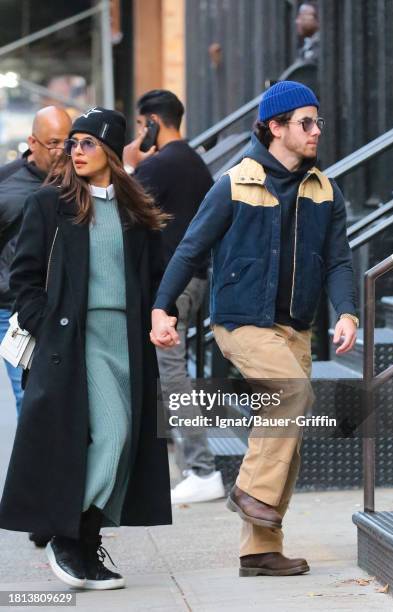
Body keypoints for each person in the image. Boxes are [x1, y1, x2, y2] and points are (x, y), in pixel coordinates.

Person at [150, 81, 358, 577]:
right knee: (292, 397)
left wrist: (347, 311)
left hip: (296, 329)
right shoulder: (234, 182)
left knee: (286, 431)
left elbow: (339, 261)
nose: (315, 131)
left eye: (317, 122)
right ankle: (248, 491)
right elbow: (190, 248)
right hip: (242, 323)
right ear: (275, 127)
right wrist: (163, 308)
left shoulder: (324, 190)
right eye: (305, 123)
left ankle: (259, 550)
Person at [0, 107, 172, 590]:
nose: (76, 151)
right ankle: (65, 535)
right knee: (112, 434)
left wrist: (164, 316)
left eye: (88, 143)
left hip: (129, 342)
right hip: (77, 340)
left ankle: (85, 543)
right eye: (73, 143)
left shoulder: (136, 209)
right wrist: (48, 327)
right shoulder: (49, 204)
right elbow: (24, 278)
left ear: (111, 152)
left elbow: (156, 278)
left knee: (124, 446)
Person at [124, 89, 225, 504]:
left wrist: (130, 165)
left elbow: (120, 209)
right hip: (193, 279)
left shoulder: (162, 165)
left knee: (171, 373)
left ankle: (201, 468)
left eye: (140, 124)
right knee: (165, 371)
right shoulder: (195, 162)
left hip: (173, 285)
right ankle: (183, 460)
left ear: (152, 122)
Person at [0, 106, 72, 418]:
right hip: (15, 310)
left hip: (69, 308)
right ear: (33, 142)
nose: (62, 151)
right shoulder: (6, 184)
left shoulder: (80, 178)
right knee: (30, 400)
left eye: (68, 142)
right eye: (53, 143)